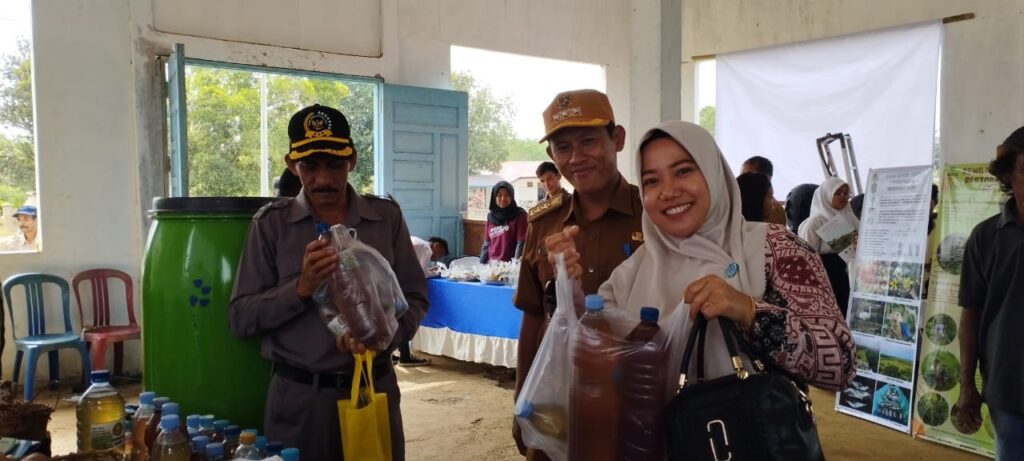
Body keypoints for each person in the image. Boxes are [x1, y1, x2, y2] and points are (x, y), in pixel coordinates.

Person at [548, 120, 855, 394]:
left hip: (752, 432)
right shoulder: (632, 271)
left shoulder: (774, 248)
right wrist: (569, 287)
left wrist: (748, 310)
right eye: (652, 180)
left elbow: (841, 365)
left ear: (712, 172)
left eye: (683, 171)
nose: (668, 191)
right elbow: (592, 352)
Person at [229, 104, 427, 460]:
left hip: (374, 389)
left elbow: (415, 297)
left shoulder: (385, 218)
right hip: (302, 401)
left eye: (335, 164)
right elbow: (241, 319)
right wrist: (301, 288)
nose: (323, 179)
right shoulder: (271, 225)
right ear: (292, 164)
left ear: (352, 159)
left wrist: (384, 337)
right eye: (310, 165)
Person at [512, 89, 644, 460]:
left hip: (634, 396)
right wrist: (522, 393)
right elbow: (533, 315)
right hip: (556, 398)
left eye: (588, 141)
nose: (576, 158)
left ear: (617, 139)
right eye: (563, 148)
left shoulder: (651, 215)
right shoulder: (544, 222)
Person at [957, 125, 1024, 460]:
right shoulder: (985, 238)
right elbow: (971, 315)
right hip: (1008, 389)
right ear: (1009, 175)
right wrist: (967, 385)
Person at [798, 177, 858, 316]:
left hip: (850, 273)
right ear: (827, 194)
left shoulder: (850, 217)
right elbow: (807, 257)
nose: (843, 197)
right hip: (829, 275)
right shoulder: (816, 222)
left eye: (846, 193)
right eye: (838, 193)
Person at [397, 235, 450, 366]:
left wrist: (430, 270)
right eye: (440, 254)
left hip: (394, 278)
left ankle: (394, 354)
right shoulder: (426, 249)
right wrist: (437, 273)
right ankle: (405, 356)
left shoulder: (417, 241)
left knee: (396, 317)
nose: (437, 258)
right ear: (436, 246)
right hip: (404, 284)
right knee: (405, 317)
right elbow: (420, 274)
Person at [480, 181, 528, 263]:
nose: (503, 198)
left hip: (509, 265)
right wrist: (481, 265)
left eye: (507, 195)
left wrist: (515, 266)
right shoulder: (491, 217)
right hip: (492, 265)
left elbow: (521, 243)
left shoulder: (520, 215)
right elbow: (486, 244)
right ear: (494, 197)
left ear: (511, 196)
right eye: (499, 195)